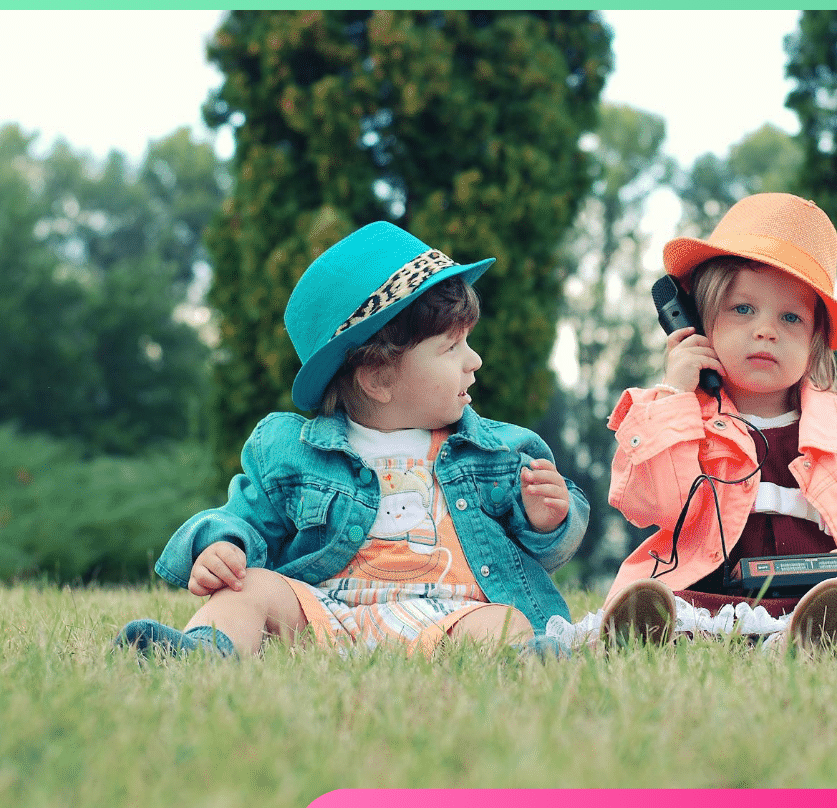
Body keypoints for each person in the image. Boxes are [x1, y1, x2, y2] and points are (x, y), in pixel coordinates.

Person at [116, 222, 587, 658]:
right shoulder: (292, 452)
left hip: (449, 617)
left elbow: (546, 551)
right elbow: (244, 516)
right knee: (248, 588)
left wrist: (546, 521)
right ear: (378, 377)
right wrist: (223, 546)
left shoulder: (495, 452)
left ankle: (528, 660)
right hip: (325, 614)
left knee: (503, 622)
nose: (475, 361)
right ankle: (204, 650)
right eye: (451, 347)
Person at [599, 193, 837, 650]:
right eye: (742, 309)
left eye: (790, 317)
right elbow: (652, 504)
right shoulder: (677, 414)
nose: (766, 330)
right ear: (696, 322)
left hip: (822, 598)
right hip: (713, 596)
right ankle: (654, 632)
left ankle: (811, 638)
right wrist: (674, 398)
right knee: (682, 616)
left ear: (815, 341)